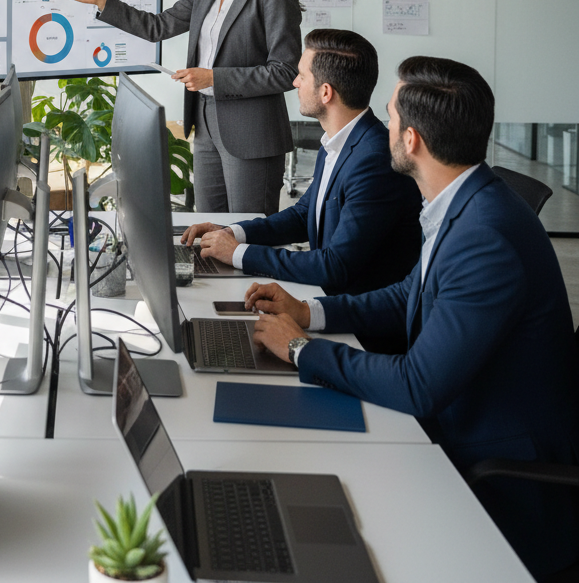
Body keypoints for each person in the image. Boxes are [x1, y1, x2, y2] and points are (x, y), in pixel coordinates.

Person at [248, 57, 579, 580]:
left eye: (392, 114)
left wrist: (300, 349)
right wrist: (309, 312)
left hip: (494, 469)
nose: (383, 121)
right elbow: (410, 292)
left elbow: (419, 385)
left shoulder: (486, 236)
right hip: (452, 418)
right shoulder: (464, 200)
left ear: (413, 141)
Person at [52, 0, 301, 215]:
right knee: (208, 230)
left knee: (247, 232)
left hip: (251, 131)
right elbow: (158, 26)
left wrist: (214, 78)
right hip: (205, 123)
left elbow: (285, 71)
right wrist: (100, 0)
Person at [180, 30, 422, 305]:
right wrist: (232, 232)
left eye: (302, 76)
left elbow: (334, 265)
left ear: (326, 93)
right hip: (326, 296)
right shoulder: (339, 140)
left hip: (353, 316)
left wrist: (239, 254)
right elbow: (303, 215)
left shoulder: (374, 160)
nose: (294, 82)